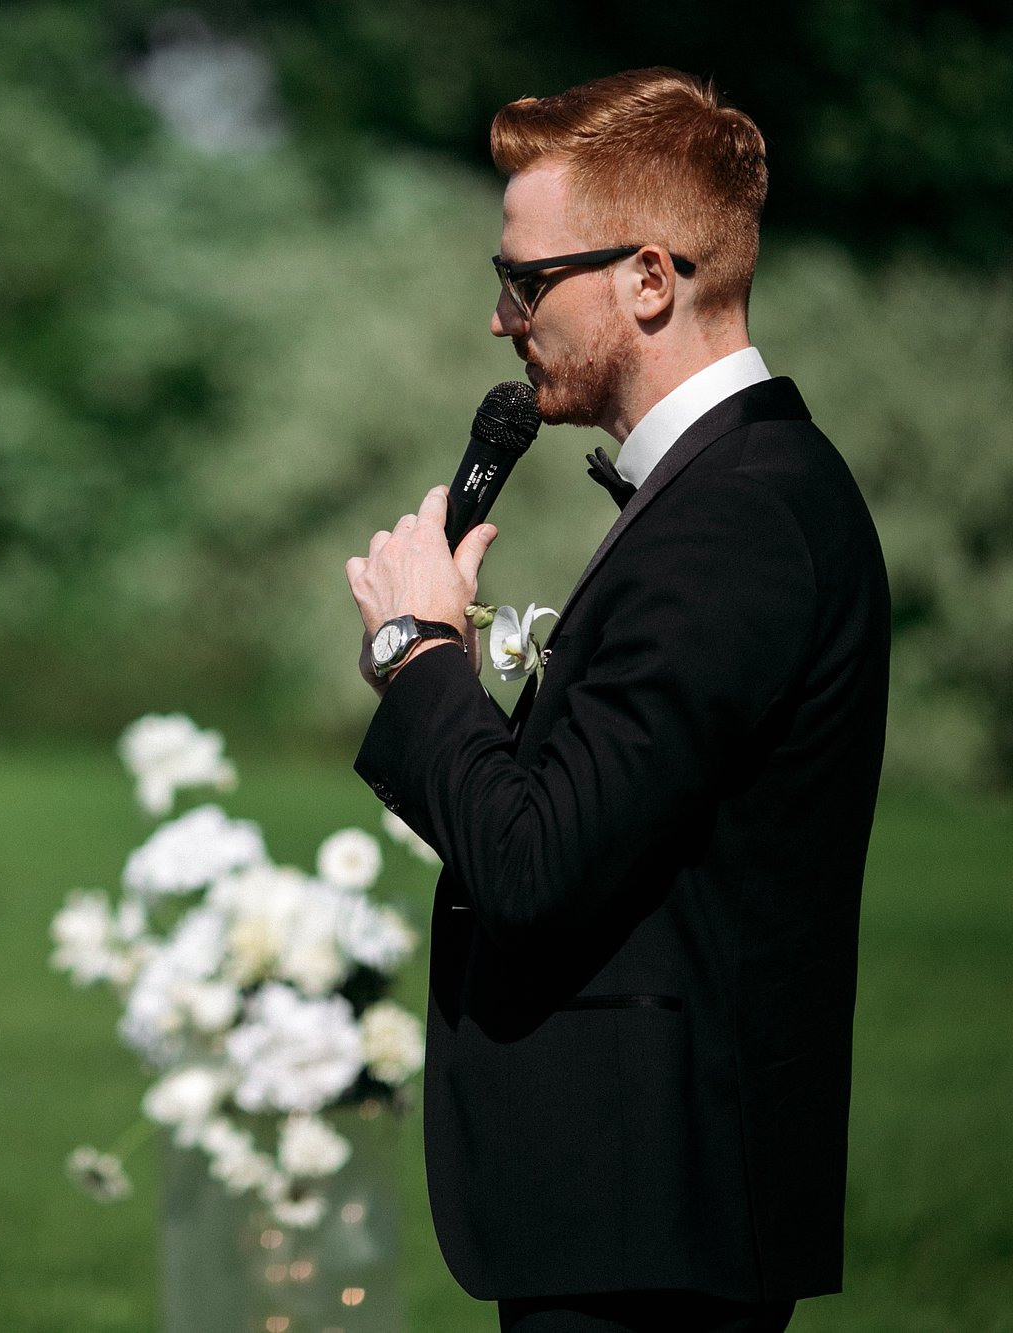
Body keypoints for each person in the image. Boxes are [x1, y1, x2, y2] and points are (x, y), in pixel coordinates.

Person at [344, 70, 889, 1333]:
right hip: (630, 1207)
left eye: (524, 280)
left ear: (648, 278)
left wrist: (420, 654)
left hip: (652, 1210)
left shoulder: (733, 515)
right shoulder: (717, 494)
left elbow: (533, 863)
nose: (499, 318)